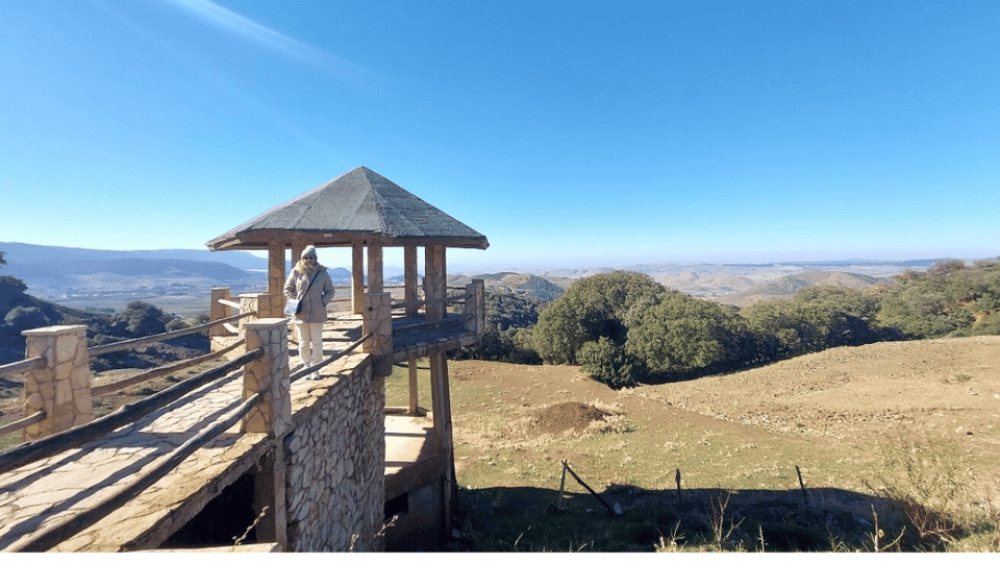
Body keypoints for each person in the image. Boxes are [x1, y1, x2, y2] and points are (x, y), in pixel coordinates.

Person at [284, 245, 335, 368]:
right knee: (303, 342)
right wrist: (295, 302)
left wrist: (322, 302)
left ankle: (317, 365)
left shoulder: (322, 273)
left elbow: (330, 291)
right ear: (302, 258)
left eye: (311, 257)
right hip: (301, 313)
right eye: (305, 257)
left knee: (317, 342)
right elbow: (287, 289)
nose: (308, 260)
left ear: (315, 258)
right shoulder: (296, 272)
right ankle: (305, 364)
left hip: (317, 312)